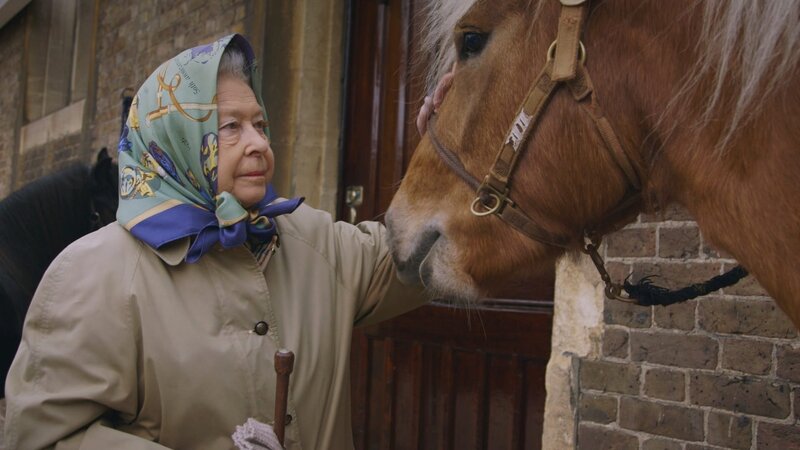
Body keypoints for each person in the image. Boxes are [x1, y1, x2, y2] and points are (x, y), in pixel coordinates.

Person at [3, 34, 428, 449]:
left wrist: (455, 147)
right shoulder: (93, 275)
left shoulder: (312, 238)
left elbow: (420, 253)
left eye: (260, 125)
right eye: (231, 127)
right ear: (177, 140)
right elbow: (45, 436)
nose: (259, 143)